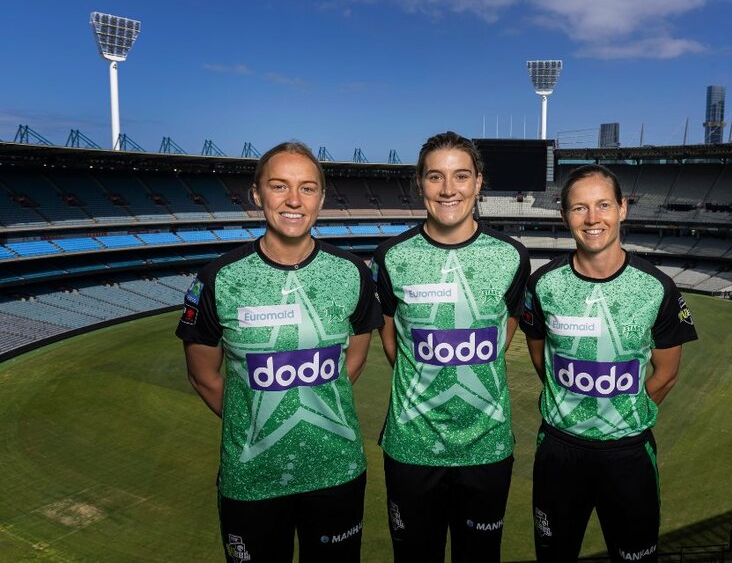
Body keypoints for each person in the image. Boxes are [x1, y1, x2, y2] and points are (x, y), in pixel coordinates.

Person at [176, 141, 383, 563]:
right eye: (279, 186)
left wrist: (310, 404)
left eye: (307, 188)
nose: (293, 200)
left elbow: (354, 359)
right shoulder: (218, 278)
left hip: (336, 470)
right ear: (257, 194)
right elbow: (203, 375)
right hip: (252, 478)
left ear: (321, 199)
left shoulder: (352, 273)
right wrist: (255, 416)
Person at [520, 164, 698, 563]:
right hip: (559, 451)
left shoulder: (657, 287)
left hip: (629, 456)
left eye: (603, 205)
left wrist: (625, 410)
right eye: (579, 208)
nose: (593, 218)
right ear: (565, 216)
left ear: (623, 208)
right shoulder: (542, 284)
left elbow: (667, 374)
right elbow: (540, 357)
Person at [371, 131, 530, 563]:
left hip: (488, 446)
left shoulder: (512, 255)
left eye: (461, 176)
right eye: (435, 177)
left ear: (479, 182)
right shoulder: (390, 256)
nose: (448, 189)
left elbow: (505, 332)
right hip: (412, 447)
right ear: (420, 183)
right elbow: (391, 339)